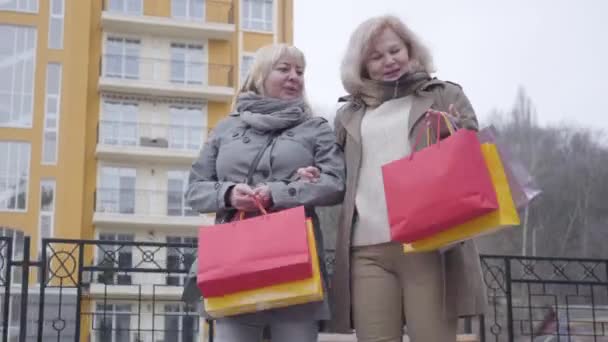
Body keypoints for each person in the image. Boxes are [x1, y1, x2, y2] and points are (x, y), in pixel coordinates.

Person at [326, 15, 487, 342]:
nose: (389, 61)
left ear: (410, 51)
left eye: (394, 50)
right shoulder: (348, 114)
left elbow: (478, 156)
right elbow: (338, 173)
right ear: (362, 66)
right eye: (376, 56)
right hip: (365, 249)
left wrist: (455, 133)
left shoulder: (444, 95)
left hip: (426, 243)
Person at [183, 43, 345, 342]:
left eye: (299, 71)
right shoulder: (225, 129)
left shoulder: (316, 128)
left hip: (295, 260)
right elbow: (194, 191)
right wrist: (230, 194)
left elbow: (335, 183)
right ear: (259, 76)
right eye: (283, 69)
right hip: (234, 260)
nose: (294, 77)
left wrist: (279, 192)